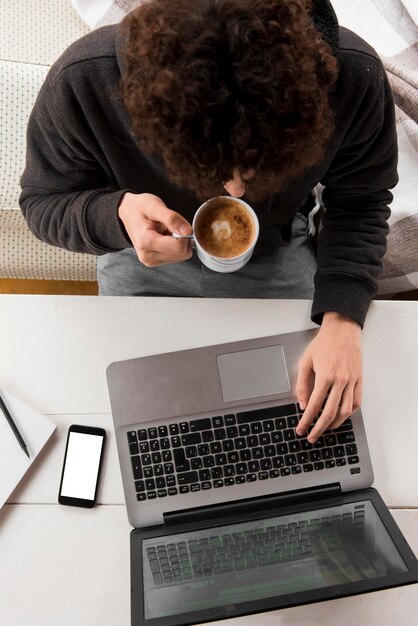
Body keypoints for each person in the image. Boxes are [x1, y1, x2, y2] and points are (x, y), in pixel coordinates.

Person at [19, 0, 398, 442]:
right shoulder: (85, 80)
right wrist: (115, 215)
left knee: (295, 419)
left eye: (255, 168)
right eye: (216, 169)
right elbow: (42, 202)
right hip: (135, 258)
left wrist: (343, 320)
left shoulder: (353, 78)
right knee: (126, 412)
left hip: (277, 249)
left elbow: (361, 201)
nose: (236, 192)